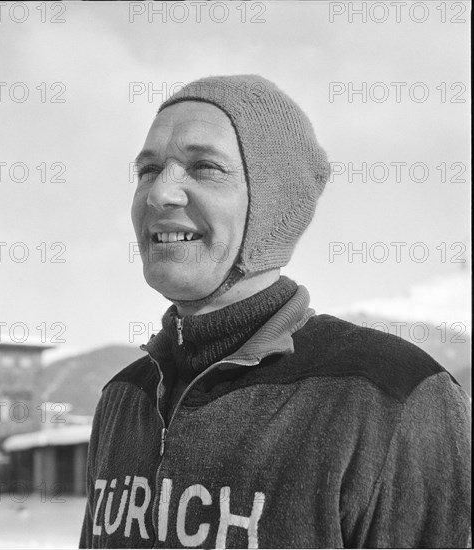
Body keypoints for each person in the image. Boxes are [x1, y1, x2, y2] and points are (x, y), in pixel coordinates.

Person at [79, 75, 471, 548]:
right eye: (148, 170)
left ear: (272, 203)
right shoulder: (124, 396)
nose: (160, 193)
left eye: (204, 167)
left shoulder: (393, 395)